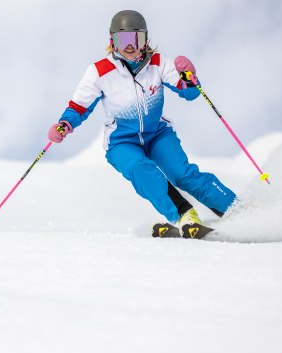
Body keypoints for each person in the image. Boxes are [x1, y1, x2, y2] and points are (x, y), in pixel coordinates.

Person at [47, 10, 236, 236]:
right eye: (122, 39)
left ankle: (237, 210)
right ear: (112, 41)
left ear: (145, 40)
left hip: (158, 134)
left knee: (182, 173)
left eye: (136, 39)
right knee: (141, 169)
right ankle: (185, 216)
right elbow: (79, 106)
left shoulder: (158, 63)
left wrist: (189, 77)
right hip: (122, 142)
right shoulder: (99, 71)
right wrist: (64, 124)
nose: (130, 45)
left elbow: (189, 93)